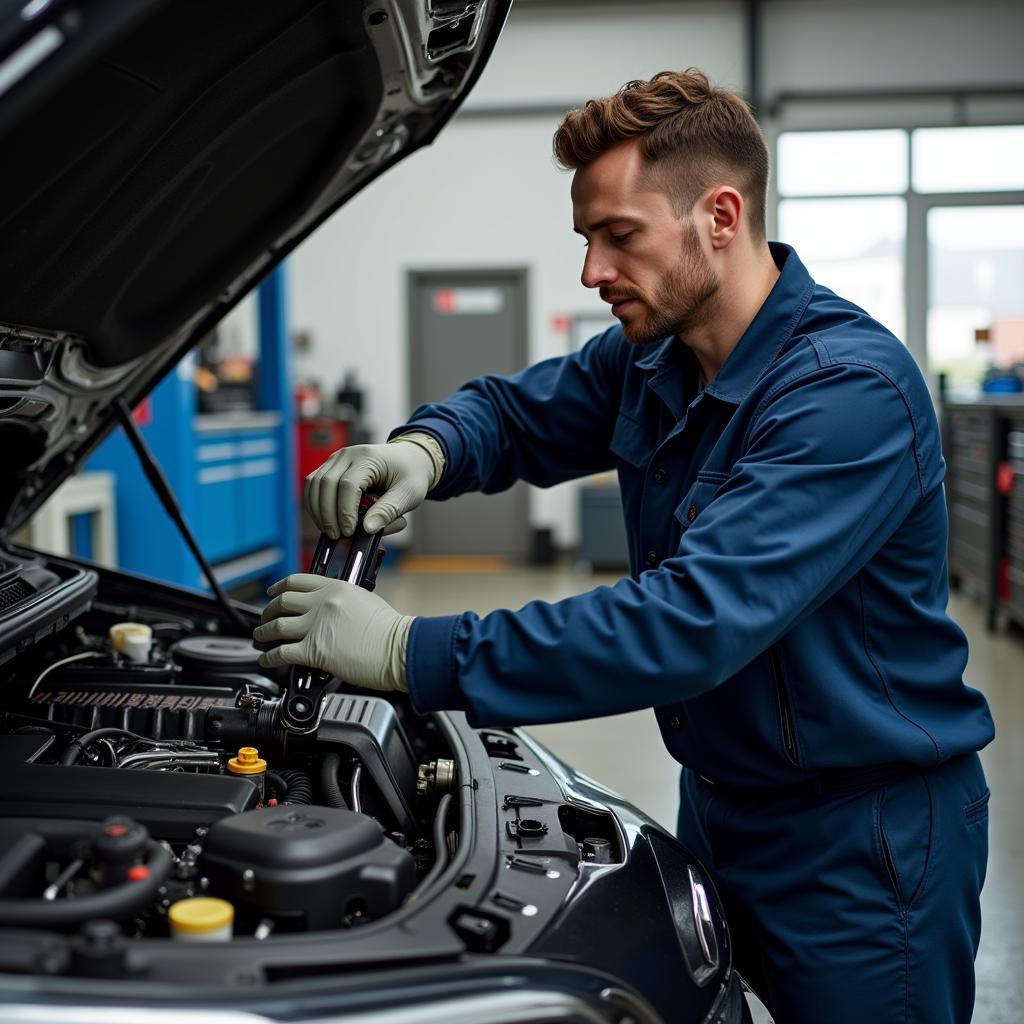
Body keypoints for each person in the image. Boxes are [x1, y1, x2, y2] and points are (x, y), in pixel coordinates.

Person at [253, 69, 995, 1024]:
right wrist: (423, 451)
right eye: (586, 239)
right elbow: (516, 412)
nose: (592, 271)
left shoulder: (848, 395)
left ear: (720, 216)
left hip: (863, 843)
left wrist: (406, 654)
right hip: (722, 804)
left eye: (620, 236)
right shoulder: (656, 356)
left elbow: (687, 625)